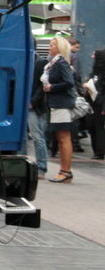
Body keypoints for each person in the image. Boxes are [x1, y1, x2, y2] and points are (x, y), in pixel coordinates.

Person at [44, 36, 76, 183]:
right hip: (57, 104)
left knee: (64, 138)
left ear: (59, 47)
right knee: (61, 137)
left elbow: (69, 82)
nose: (49, 47)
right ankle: (64, 171)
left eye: (52, 45)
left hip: (62, 104)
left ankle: (66, 171)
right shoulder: (56, 62)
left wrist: (52, 87)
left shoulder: (61, 63)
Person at [28, 52, 49, 178]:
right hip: (23, 106)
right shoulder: (24, 61)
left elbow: (42, 85)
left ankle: (41, 167)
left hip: (33, 107)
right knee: (24, 139)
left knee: (37, 137)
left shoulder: (40, 62)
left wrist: (33, 102)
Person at [85, 48, 105, 160]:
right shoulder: (94, 71)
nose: (92, 57)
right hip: (91, 101)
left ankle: (100, 151)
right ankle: (95, 150)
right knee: (91, 126)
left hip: (100, 103)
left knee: (99, 127)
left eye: (94, 55)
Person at [68, 37, 87, 151]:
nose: (77, 49)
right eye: (76, 47)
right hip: (73, 90)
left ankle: (53, 144)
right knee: (75, 117)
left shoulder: (56, 57)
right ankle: (75, 143)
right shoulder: (74, 56)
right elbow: (77, 74)